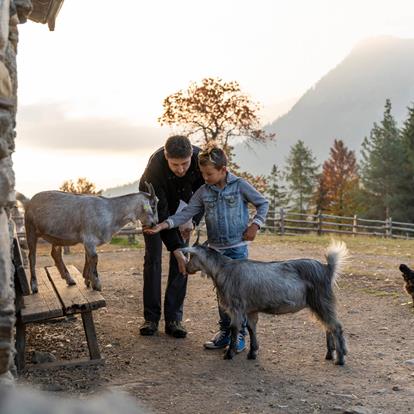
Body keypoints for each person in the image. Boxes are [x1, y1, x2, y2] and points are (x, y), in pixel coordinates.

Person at [144, 145, 269, 353]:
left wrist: (255, 225)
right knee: (222, 295)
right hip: (216, 252)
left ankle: (239, 335)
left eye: (209, 173)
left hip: (236, 250)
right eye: (202, 173)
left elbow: (262, 203)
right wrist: (164, 225)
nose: (205, 177)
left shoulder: (239, 186)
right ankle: (225, 332)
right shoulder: (203, 191)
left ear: (223, 170)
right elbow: (186, 214)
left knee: (238, 295)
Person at [138, 135, 204, 338]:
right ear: (166, 156)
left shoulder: (200, 159)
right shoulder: (155, 166)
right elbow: (162, 210)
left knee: (181, 262)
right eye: (175, 164)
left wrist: (192, 221)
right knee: (153, 259)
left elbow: (204, 196)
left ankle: (174, 319)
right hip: (155, 212)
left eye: (185, 163)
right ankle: (151, 318)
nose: (181, 169)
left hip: (185, 212)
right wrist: (174, 246)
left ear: (191, 156)